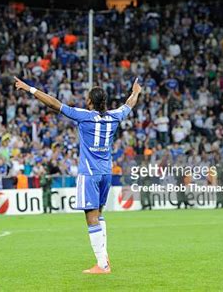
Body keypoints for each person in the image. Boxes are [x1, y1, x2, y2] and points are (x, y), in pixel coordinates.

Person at [14, 76, 141, 275]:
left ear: (90, 102)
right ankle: (104, 257)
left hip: (89, 174)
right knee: (99, 215)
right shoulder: (115, 116)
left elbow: (54, 104)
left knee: (91, 218)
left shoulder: (84, 115)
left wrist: (30, 89)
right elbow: (129, 104)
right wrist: (136, 92)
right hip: (106, 172)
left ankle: (102, 264)